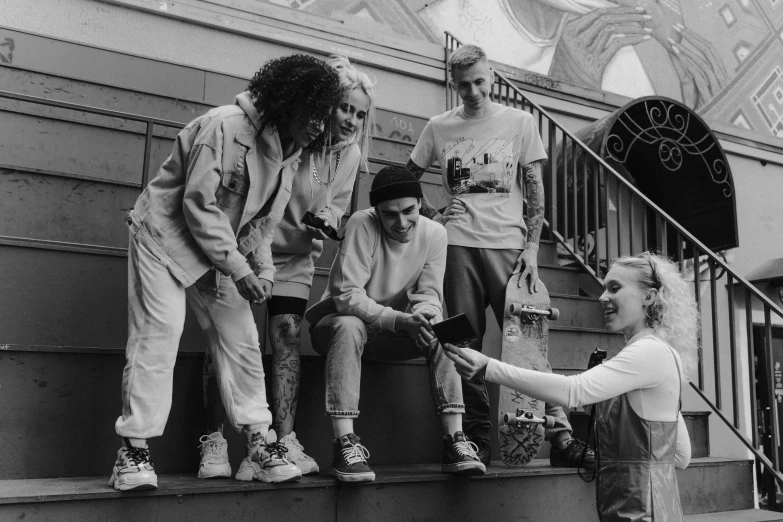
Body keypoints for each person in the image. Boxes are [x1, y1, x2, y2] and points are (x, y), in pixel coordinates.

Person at [109, 54, 342, 491]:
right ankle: (133, 452)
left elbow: (262, 223)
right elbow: (199, 205)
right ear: (286, 101)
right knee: (159, 334)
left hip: (217, 251)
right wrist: (237, 267)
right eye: (311, 112)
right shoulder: (225, 126)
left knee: (242, 340)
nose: (319, 124)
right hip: (164, 239)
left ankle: (259, 441)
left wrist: (265, 269)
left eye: (324, 115)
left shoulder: (290, 151)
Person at [406, 43, 593, 467]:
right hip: (455, 249)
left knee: (528, 347)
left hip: (509, 248)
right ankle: (476, 437)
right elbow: (406, 177)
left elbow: (535, 190)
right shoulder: (438, 126)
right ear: (453, 85)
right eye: (463, 85)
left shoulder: (520, 122)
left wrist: (531, 245)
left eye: (479, 81)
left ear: (490, 77)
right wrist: (434, 213)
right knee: (461, 345)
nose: (473, 91)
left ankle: (560, 436)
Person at [198, 55, 376, 478]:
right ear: (324, 104)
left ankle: (282, 440)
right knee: (224, 341)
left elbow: (335, 205)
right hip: (246, 246)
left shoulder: (349, 155)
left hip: (296, 256)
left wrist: (330, 220)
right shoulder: (290, 136)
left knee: (287, 335)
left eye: (360, 114)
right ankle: (214, 440)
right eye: (344, 108)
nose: (351, 120)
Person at [446, 252, 697, 521]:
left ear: (649, 297)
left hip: (641, 512)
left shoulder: (647, 353)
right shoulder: (656, 353)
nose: (602, 297)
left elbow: (573, 391)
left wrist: (488, 367)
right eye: (603, 288)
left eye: (615, 288)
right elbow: (680, 455)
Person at [304, 166, 486, 482]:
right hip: (337, 328)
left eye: (408, 211)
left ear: (420, 203)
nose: (401, 223)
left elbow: (430, 294)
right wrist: (400, 319)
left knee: (447, 328)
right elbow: (347, 296)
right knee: (350, 324)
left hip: (398, 333)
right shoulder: (362, 223)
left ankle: (455, 440)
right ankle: (344, 444)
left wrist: (427, 318)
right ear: (377, 211)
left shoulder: (435, 233)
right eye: (389, 214)